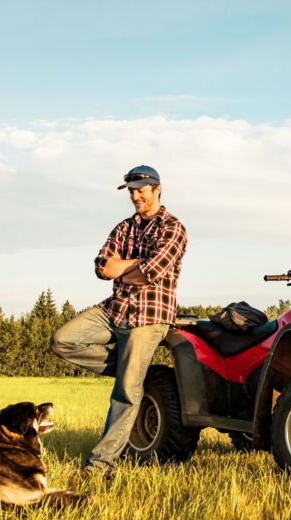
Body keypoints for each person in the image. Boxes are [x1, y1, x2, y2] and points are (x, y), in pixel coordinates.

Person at [50, 164, 187, 479]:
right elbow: (101, 267)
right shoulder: (123, 227)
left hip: (150, 316)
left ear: (157, 190)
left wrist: (124, 266)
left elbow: (150, 273)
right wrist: (135, 264)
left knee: (125, 392)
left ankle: (100, 465)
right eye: (132, 191)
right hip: (115, 309)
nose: (136, 197)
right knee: (63, 340)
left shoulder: (173, 227)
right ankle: (131, 370)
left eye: (142, 190)